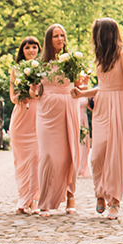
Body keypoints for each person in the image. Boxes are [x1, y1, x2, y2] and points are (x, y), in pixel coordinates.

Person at [76, 18, 123, 219]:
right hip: (101, 107)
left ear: (105, 34)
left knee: (116, 156)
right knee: (97, 155)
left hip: (119, 105)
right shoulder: (100, 57)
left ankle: (115, 201)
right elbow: (102, 87)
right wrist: (81, 94)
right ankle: (100, 194)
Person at [34, 23, 82, 215]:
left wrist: (83, 84)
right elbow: (36, 90)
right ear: (49, 40)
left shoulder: (71, 61)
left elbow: (79, 85)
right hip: (46, 111)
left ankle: (70, 195)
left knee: (70, 152)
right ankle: (45, 199)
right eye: (56, 36)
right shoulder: (40, 64)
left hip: (68, 106)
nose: (60, 39)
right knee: (48, 155)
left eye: (62, 35)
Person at [8, 35, 42, 215]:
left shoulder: (43, 69)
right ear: (22, 51)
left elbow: (44, 94)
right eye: (27, 48)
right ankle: (23, 199)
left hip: (38, 116)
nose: (31, 51)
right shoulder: (15, 69)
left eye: (34, 47)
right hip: (21, 116)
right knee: (21, 161)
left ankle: (35, 200)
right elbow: (12, 95)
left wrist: (33, 90)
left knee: (36, 158)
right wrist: (21, 97)